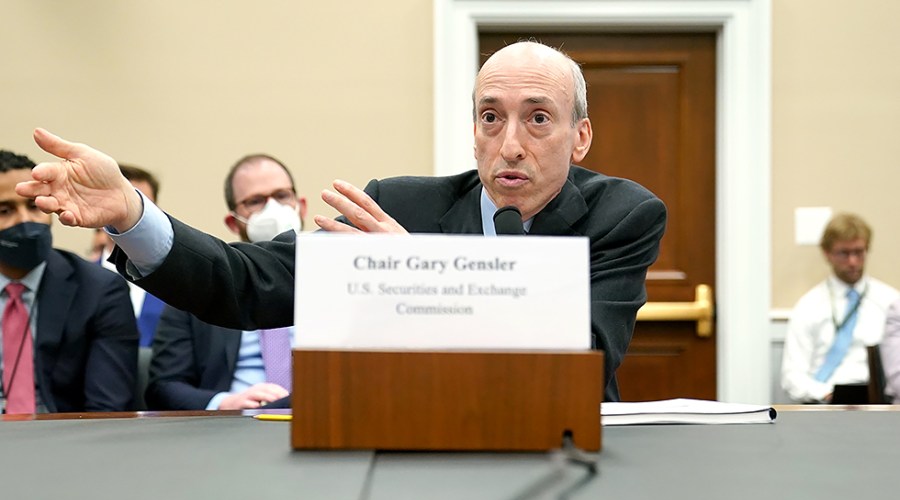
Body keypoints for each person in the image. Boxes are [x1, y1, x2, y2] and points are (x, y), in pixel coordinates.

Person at [17, 41, 667, 401]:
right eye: (491, 117)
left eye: (539, 117)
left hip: (562, 455)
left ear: (580, 138)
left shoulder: (622, 214)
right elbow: (246, 283)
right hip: (408, 454)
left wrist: (420, 270)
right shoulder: (399, 206)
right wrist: (132, 212)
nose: (512, 142)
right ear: (473, 131)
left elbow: (581, 354)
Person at [147, 154, 306, 410]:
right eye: (255, 201)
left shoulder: (335, 279)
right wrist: (224, 403)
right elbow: (164, 386)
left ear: (302, 206)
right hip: (234, 425)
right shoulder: (196, 288)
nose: (273, 208)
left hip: (320, 415)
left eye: (282, 196)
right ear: (233, 221)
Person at [0, 149, 137, 413]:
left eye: (34, 205)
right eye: (5, 210)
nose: (26, 221)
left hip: (64, 442)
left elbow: (107, 408)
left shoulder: (100, 291)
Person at [781, 213, 899, 403]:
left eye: (859, 252)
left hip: (878, 403)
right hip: (823, 403)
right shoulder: (809, 306)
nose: (852, 262)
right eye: (844, 253)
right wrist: (825, 394)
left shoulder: (890, 302)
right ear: (827, 253)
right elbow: (792, 376)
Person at [90, 164, 164, 347]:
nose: (133, 215)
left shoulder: (177, 284)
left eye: (143, 206)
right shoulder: (80, 281)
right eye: (125, 204)